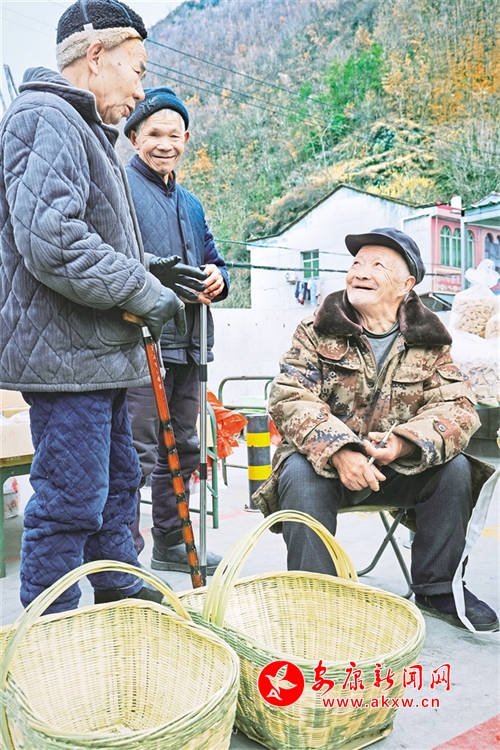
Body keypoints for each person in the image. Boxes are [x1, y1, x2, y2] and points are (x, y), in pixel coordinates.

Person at [0, 0, 193, 612]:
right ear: (95, 56)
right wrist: (142, 291)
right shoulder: (45, 117)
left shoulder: (78, 127)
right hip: (66, 357)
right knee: (72, 498)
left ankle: (118, 593)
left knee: (117, 485)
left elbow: (84, 233)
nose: (139, 91)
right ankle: (50, 626)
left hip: (94, 353)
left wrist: (150, 272)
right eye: (136, 70)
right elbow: (53, 238)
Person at [253, 227, 498, 632]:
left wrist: (405, 443)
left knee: (456, 470)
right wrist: (340, 450)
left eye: (377, 265)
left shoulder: (430, 340)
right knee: (297, 472)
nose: (360, 272)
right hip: (325, 469)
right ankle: (314, 596)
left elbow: (458, 407)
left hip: (395, 468)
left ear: (406, 285)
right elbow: (289, 395)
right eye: (356, 263)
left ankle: (438, 588)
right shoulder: (315, 330)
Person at [123, 87, 230, 573]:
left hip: (192, 341)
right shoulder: (121, 188)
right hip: (141, 339)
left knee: (184, 447)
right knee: (138, 450)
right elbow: (114, 256)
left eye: (174, 135)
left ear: (186, 139)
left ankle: (170, 540)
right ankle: (121, 557)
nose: (164, 144)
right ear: (134, 138)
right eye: (154, 135)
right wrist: (156, 274)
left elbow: (213, 258)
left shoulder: (192, 203)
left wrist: (218, 277)